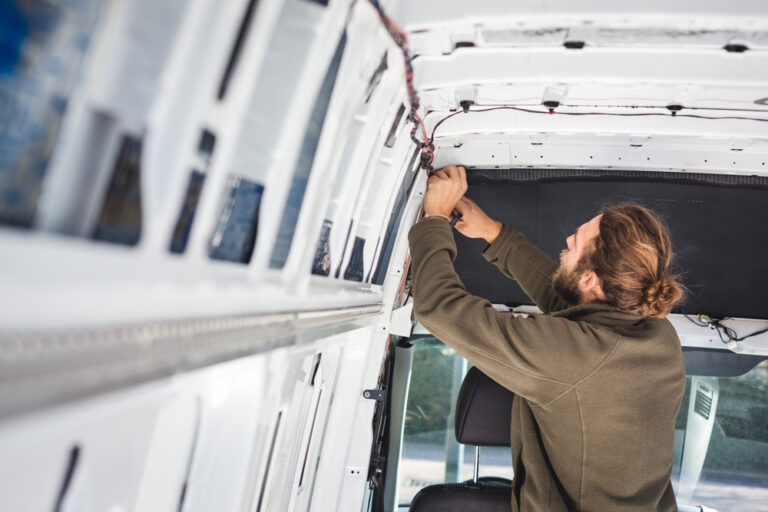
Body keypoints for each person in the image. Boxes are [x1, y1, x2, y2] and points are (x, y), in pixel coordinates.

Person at [408, 164, 687, 511]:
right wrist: (494, 233)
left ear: (590, 280)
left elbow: (440, 307)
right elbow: (570, 308)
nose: (568, 241)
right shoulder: (657, 337)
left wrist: (434, 218)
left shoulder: (576, 359)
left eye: (577, 242)